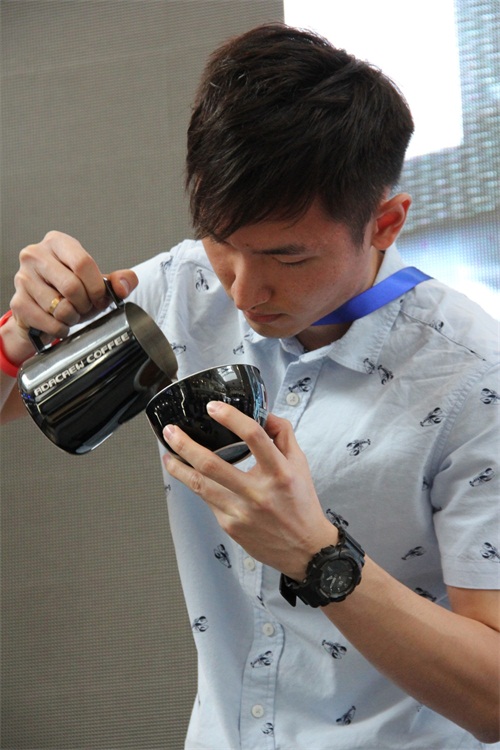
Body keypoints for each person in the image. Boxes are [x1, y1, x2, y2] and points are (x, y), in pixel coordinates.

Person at [1, 23, 499, 750]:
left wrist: (318, 556)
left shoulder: (475, 378)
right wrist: (19, 335)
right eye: (220, 242)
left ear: (386, 223)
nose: (241, 290)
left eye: (288, 259)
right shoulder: (184, 287)